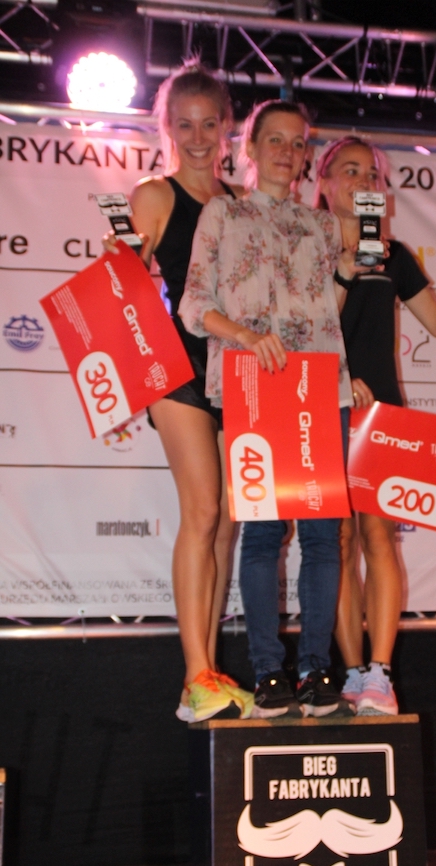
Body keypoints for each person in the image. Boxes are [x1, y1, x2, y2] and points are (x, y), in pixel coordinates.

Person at [179, 100, 365, 718]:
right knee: (261, 533)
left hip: (321, 388)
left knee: (323, 535)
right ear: (250, 148)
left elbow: (326, 308)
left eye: (297, 142)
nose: (287, 152)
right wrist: (244, 336)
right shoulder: (223, 213)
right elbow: (193, 304)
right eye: (275, 140)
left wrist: (348, 269)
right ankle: (267, 671)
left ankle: (315, 668)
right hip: (253, 385)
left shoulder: (322, 226)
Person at [316, 136, 436, 715]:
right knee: (337, 543)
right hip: (323, 406)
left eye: (372, 174)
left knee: (377, 538)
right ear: (323, 183)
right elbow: (304, 326)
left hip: (383, 412)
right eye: (349, 171)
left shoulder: (393, 254)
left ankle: (380, 675)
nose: (363, 182)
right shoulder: (303, 247)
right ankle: (352, 672)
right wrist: (339, 374)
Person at [104, 61, 253, 722]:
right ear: (166, 128)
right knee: (202, 511)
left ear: (227, 129)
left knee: (227, 525)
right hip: (176, 371)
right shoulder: (155, 195)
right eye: (184, 125)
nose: (197, 139)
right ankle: (195, 677)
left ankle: (209, 671)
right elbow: (126, 286)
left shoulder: (244, 203)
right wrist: (120, 260)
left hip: (237, 373)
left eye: (209, 125)